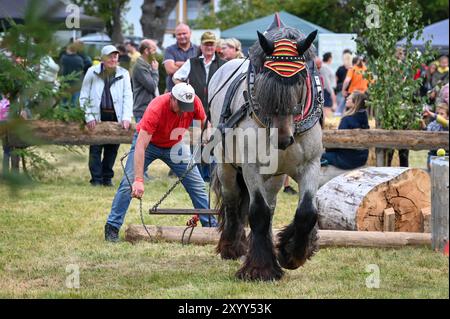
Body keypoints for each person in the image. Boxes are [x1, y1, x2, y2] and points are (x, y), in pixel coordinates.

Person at [104, 83, 218, 242]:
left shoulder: (194, 101)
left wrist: (207, 135)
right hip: (149, 144)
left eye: (188, 106)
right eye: (181, 105)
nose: (185, 110)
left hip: (175, 143)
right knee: (128, 184)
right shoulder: (156, 108)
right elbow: (141, 145)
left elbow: (205, 122)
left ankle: (212, 227)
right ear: (172, 98)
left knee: (197, 185)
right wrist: (138, 180)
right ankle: (112, 227)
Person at [173, 31, 226, 182]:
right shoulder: (192, 62)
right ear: (201, 46)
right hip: (195, 109)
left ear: (215, 46)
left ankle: (211, 176)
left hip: (215, 110)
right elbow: (176, 77)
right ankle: (196, 176)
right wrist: (186, 91)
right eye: (206, 44)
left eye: (211, 44)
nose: (209, 47)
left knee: (213, 142)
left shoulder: (222, 64)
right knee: (195, 142)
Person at [79, 45, 133, 187]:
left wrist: (126, 117)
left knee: (112, 149)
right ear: (103, 58)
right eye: (110, 56)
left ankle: (107, 177)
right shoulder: (92, 72)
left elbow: (128, 96)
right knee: (95, 148)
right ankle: (96, 179)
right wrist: (89, 116)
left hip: (116, 115)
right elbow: (84, 96)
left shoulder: (124, 73)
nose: (113, 59)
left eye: (115, 56)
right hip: (97, 115)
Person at [321, 91, 370, 169]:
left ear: (355, 103)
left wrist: (328, 147)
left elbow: (339, 142)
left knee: (320, 156)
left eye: (349, 98)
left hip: (347, 160)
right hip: (362, 158)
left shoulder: (346, 120)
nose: (347, 98)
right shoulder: (364, 118)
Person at [163, 23, 198, 93]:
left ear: (190, 33)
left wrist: (179, 64)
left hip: (193, 92)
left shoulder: (198, 49)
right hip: (174, 91)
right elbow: (170, 70)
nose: (182, 36)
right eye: (179, 34)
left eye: (184, 33)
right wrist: (191, 65)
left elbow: (200, 70)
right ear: (175, 35)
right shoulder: (169, 50)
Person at [131, 39, 160, 124]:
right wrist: (155, 71)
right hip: (142, 110)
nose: (156, 53)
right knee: (140, 136)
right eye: (154, 50)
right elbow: (152, 87)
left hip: (148, 109)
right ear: (146, 51)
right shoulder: (140, 67)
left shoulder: (147, 65)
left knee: (146, 136)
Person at [421, 103, 449, 170]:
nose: (439, 115)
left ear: (448, 116)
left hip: (447, 155)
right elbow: (427, 136)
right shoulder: (433, 124)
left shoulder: (447, 123)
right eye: (437, 113)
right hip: (433, 154)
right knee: (432, 176)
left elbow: (443, 122)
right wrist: (423, 124)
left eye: (442, 114)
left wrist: (430, 113)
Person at [59, 43, 85, 107]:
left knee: (64, 101)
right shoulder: (79, 59)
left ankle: (62, 113)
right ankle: (72, 114)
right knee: (74, 101)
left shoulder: (64, 58)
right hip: (76, 82)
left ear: (69, 50)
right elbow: (82, 68)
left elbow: (61, 69)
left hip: (65, 82)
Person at [335, 49, 353, 116]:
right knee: (348, 109)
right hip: (350, 91)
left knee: (340, 109)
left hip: (341, 90)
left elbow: (336, 80)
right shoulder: (353, 69)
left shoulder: (340, 68)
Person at [320, 52, 337, 118]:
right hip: (327, 90)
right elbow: (326, 82)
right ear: (329, 58)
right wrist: (332, 92)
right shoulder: (324, 67)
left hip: (329, 90)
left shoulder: (326, 66)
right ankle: (327, 123)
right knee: (327, 108)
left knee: (329, 108)